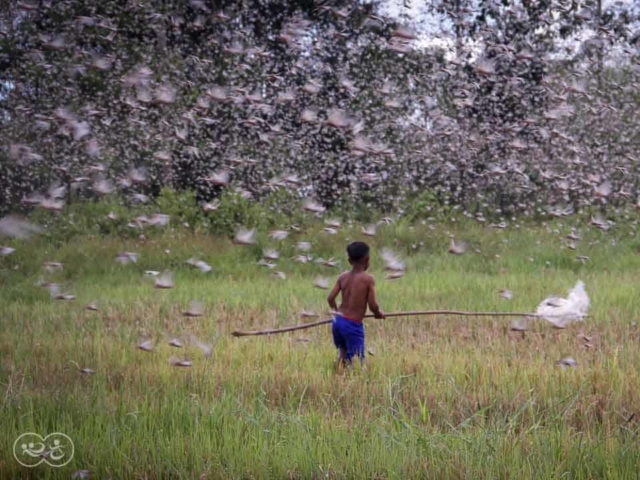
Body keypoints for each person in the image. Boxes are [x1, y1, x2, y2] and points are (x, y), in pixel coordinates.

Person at [327, 241, 384, 369]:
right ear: (367, 259)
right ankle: (360, 378)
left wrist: (336, 313)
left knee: (343, 350)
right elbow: (372, 304)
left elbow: (330, 298)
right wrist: (378, 314)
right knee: (359, 357)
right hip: (352, 324)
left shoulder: (343, 277)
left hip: (338, 322)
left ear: (349, 261)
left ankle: (338, 373)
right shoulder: (368, 279)